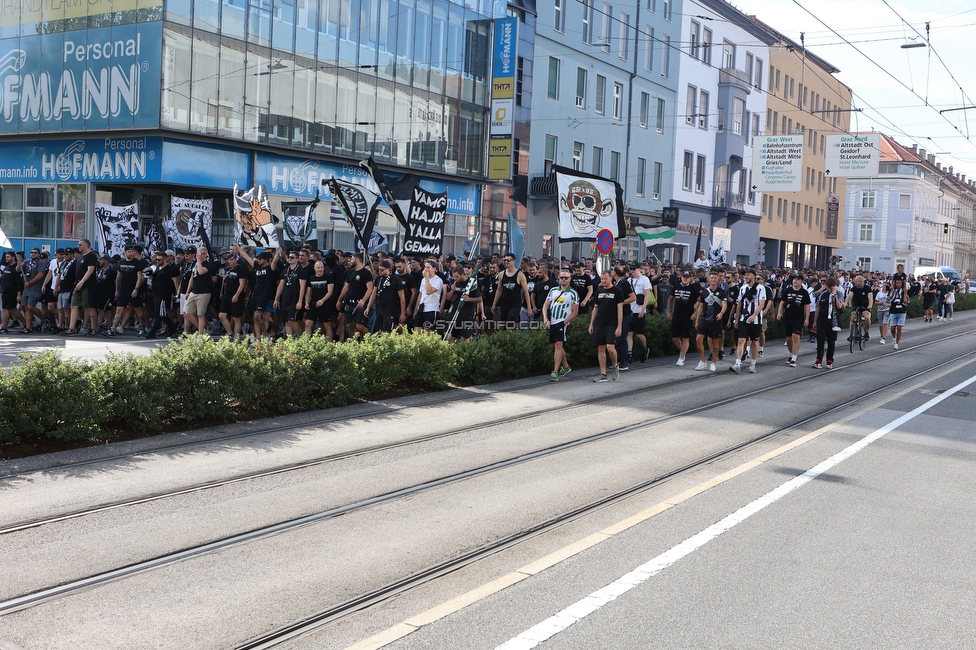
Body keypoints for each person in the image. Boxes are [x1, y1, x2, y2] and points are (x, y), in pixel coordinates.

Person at [543, 269, 579, 381]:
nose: (563, 279)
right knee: (556, 345)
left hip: (563, 321)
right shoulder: (553, 290)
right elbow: (546, 305)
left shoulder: (573, 293)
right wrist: (545, 317)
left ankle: (555, 371)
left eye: (566, 278)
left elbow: (575, 311)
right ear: (558, 278)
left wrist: (564, 323)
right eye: (562, 277)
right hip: (552, 321)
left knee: (558, 344)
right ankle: (566, 366)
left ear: (570, 279)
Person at [729, 268, 767, 374]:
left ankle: (753, 364)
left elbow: (762, 304)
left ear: (754, 276)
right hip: (743, 319)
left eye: (748, 275)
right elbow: (739, 303)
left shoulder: (760, 288)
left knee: (754, 341)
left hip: (756, 320)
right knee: (741, 340)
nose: (746, 277)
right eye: (745, 275)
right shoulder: (743, 288)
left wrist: (754, 315)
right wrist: (736, 319)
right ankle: (737, 363)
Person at [589, 270, 623, 382]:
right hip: (599, 323)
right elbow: (595, 308)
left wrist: (619, 326)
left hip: (612, 323)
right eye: (602, 279)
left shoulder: (617, 291)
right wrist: (591, 324)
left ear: (611, 278)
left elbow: (620, 309)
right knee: (600, 348)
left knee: (610, 348)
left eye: (605, 279)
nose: (603, 281)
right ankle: (603, 374)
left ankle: (615, 365)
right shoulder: (598, 292)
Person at [693, 269, 727, 372]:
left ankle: (713, 362)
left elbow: (725, 305)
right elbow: (700, 307)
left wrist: (721, 313)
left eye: (715, 278)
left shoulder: (722, 292)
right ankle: (702, 361)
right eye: (711, 278)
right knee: (698, 339)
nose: (713, 280)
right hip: (705, 318)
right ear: (709, 279)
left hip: (715, 320)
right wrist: (697, 320)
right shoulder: (704, 292)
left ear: (718, 279)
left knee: (715, 342)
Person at [335, 252, 374, 339]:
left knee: (359, 326)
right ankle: (354, 344)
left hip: (360, 304)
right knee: (350, 325)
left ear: (357, 260)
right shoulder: (350, 272)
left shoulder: (366, 273)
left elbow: (370, 288)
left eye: (352, 259)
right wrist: (339, 299)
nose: (350, 261)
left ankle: (371, 338)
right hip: (350, 303)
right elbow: (346, 287)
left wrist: (363, 301)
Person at [776, 274, 811, 367]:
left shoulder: (804, 292)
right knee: (788, 339)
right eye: (794, 279)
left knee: (796, 336)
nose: (795, 281)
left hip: (798, 317)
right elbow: (782, 302)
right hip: (788, 316)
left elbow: (807, 306)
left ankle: (794, 358)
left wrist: (807, 318)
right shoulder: (787, 290)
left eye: (798, 279)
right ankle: (792, 354)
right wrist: (779, 313)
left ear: (801, 281)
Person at [668, 269, 700, 367]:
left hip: (687, 316)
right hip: (677, 315)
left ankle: (682, 357)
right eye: (684, 277)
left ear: (690, 278)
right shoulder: (676, 287)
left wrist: (695, 313)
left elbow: (701, 301)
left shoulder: (693, 289)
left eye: (687, 277)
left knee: (685, 337)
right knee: (675, 337)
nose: (685, 279)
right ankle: (683, 351)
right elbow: (670, 299)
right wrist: (669, 311)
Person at [146, 250, 181, 339]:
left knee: (158, 312)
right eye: (157, 259)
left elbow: (176, 282)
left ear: (165, 259)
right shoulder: (157, 268)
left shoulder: (170, 269)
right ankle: (172, 327)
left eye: (159, 260)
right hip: (156, 294)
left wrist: (177, 294)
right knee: (162, 314)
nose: (157, 261)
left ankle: (152, 331)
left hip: (165, 294)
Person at [275, 249, 309, 338]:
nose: (290, 259)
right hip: (285, 298)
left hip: (295, 298)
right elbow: (281, 286)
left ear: (297, 259)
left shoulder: (301, 271)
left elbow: (303, 287)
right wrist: (276, 299)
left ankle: (299, 336)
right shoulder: (285, 271)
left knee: (291, 319)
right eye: (289, 257)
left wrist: (300, 301)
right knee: (286, 321)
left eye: (292, 257)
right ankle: (289, 340)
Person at [492, 253, 531, 330]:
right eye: (504, 260)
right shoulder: (501, 274)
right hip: (504, 304)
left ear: (513, 261)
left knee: (510, 324)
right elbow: (499, 290)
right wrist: (494, 303)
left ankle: (511, 340)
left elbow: (526, 292)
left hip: (515, 305)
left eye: (508, 260)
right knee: (503, 327)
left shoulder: (520, 275)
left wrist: (529, 307)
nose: (506, 262)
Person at [367, 259, 407, 333]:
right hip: (380, 308)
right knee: (380, 330)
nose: (380, 271)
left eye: (382, 270)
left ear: (388, 269)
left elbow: (402, 297)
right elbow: (374, 293)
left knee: (388, 330)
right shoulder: (378, 278)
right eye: (379, 270)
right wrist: (368, 307)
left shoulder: (395, 279)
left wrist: (402, 312)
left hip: (391, 309)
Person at [812, 278, 844, 369]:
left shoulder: (839, 294)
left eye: (832, 287)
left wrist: (835, 295)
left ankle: (830, 361)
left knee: (831, 342)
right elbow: (818, 308)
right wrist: (815, 321)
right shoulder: (823, 295)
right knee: (820, 341)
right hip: (822, 320)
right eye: (829, 288)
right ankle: (819, 360)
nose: (831, 289)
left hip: (833, 321)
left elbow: (839, 306)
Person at [444, 264, 481, 341]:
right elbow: (447, 297)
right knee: (447, 334)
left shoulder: (471, 283)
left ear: (462, 274)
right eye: (454, 276)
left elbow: (479, 299)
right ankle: (455, 349)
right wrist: (452, 290)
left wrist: (469, 299)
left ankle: (467, 352)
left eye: (457, 276)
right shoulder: (455, 283)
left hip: (466, 314)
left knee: (466, 338)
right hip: (454, 312)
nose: (455, 278)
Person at [626, 264, 652, 364]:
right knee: (629, 333)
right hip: (630, 309)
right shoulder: (629, 280)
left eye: (634, 269)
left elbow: (647, 295)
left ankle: (645, 348)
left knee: (639, 334)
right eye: (631, 269)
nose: (632, 271)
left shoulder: (644, 280)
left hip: (639, 309)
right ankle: (629, 353)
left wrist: (643, 309)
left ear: (639, 269)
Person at [19, 247, 47, 333]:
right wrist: (18, 265)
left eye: (35, 253)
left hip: (35, 288)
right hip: (26, 288)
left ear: (38, 254)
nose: (33, 254)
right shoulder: (27, 262)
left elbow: (40, 274)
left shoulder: (41, 262)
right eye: (32, 252)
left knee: (31, 306)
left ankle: (44, 319)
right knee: (26, 307)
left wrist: (30, 282)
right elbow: (18, 270)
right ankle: (28, 327)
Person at [304, 261, 335, 338]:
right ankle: (306, 343)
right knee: (308, 323)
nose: (320, 269)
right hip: (313, 303)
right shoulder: (311, 278)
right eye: (318, 267)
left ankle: (329, 344)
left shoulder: (328, 277)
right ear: (314, 268)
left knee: (327, 325)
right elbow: (308, 292)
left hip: (325, 304)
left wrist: (322, 300)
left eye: (322, 267)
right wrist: (307, 303)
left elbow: (330, 291)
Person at [415, 259, 444, 332]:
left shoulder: (438, 280)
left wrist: (427, 278)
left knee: (428, 332)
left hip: (431, 309)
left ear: (434, 269)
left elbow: (429, 291)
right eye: (425, 267)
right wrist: (416, 309)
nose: (426, 269)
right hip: (421, 308)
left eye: (428, 267)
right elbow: (421, 294)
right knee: (417, 331)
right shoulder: (423, 280)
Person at [843, 274, 873, 340]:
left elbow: (870, 297)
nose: (854, 282)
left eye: (856, 281)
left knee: (867, 317)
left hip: (865, 306)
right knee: (853, 317)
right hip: (856, 305)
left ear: (861, 281)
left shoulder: (867, 288)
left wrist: (870, 305)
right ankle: (851, 334)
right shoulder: (854, 288)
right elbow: (849, 296)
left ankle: (866, 332)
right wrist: (846, 303)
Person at [888, 277, 908, 350]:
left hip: (901, 311)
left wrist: (905, 293)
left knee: (899, 327)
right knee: (892, 328)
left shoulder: (903, 291)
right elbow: (889, 298)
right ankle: (894, 337)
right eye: (897, 283)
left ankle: (897, 343)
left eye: (900, 283)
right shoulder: (893, 291)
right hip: (893, 310)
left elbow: (906, 301)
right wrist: (892, 289)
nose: (898, 284)